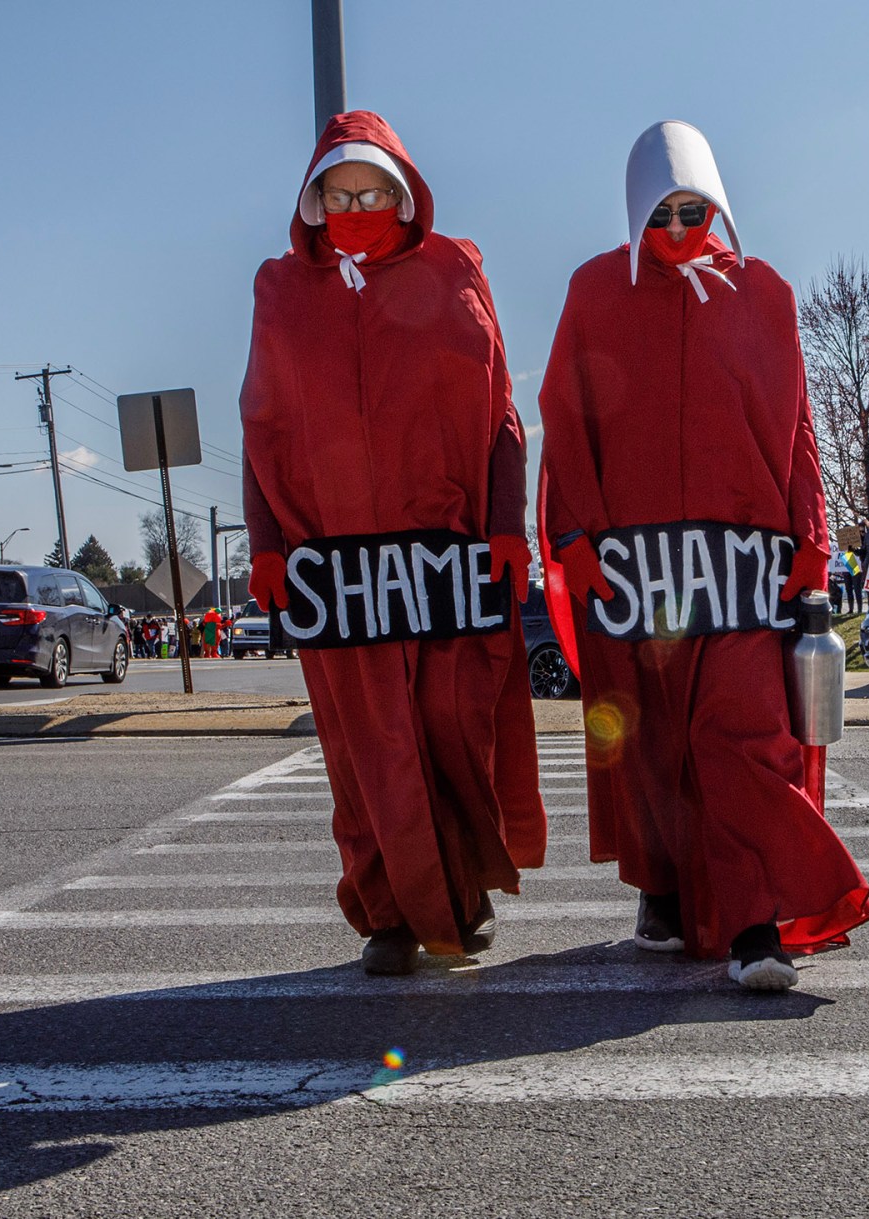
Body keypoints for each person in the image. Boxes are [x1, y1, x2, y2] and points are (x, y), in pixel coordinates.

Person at [537, 118, 869, 990]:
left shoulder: (767, 295)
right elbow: (566, 422)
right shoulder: (594, 294)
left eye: (696, 212)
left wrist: (812, 536)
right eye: (663, 215)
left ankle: (760, 923)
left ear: (720, 206)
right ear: (635, 214)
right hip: (637, 570)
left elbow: (799, 428)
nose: (682, 232)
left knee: (745, 735)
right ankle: (665, 886)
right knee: (650, 742)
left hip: (744, 567)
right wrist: (572, 537)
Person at [238, 110, 546, 975]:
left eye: (373, 191)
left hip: (444, 556)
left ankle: (462, 889)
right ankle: (385, 912)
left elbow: (500, 415)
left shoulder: (456, 271)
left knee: (451, 723)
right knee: (363, 745)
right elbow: (259, 421)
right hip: (335, 566)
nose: (358, 205)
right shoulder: (281, 292)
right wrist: (265, 542)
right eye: (339, 193)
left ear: (405, 194)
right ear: (312, 203)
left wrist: (504, 524)